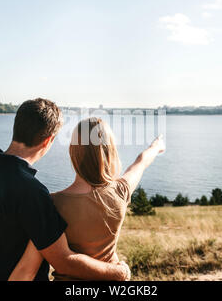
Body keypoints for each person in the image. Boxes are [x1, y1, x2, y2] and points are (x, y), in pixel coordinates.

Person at [0, 99, 130, 281]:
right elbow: (63, 261)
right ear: (48, 141)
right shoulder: (32, 192)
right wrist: (118, 272)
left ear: (17, 127)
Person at [12, 117, 165, 280]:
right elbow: (140, 163)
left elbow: (28, 269)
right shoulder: (120, 191)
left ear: (73, 152)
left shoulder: (52, 204)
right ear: (109, 151)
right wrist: (155, 147)